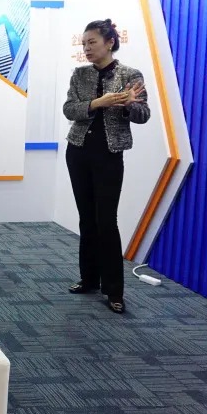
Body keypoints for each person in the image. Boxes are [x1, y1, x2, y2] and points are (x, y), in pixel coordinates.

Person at [63, 19, 150, 314]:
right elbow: (69, 109)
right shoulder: (80, 74)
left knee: (106, 221)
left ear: (110, 42)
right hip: (78, 151)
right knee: (86, 219)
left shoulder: (130, 74)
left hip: (109, 155)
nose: (87, 49)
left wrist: (128, 104)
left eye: (92, 42)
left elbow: (143, 115)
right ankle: (89, 279)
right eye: (84, 44)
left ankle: (114, 291)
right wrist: (97, 103)